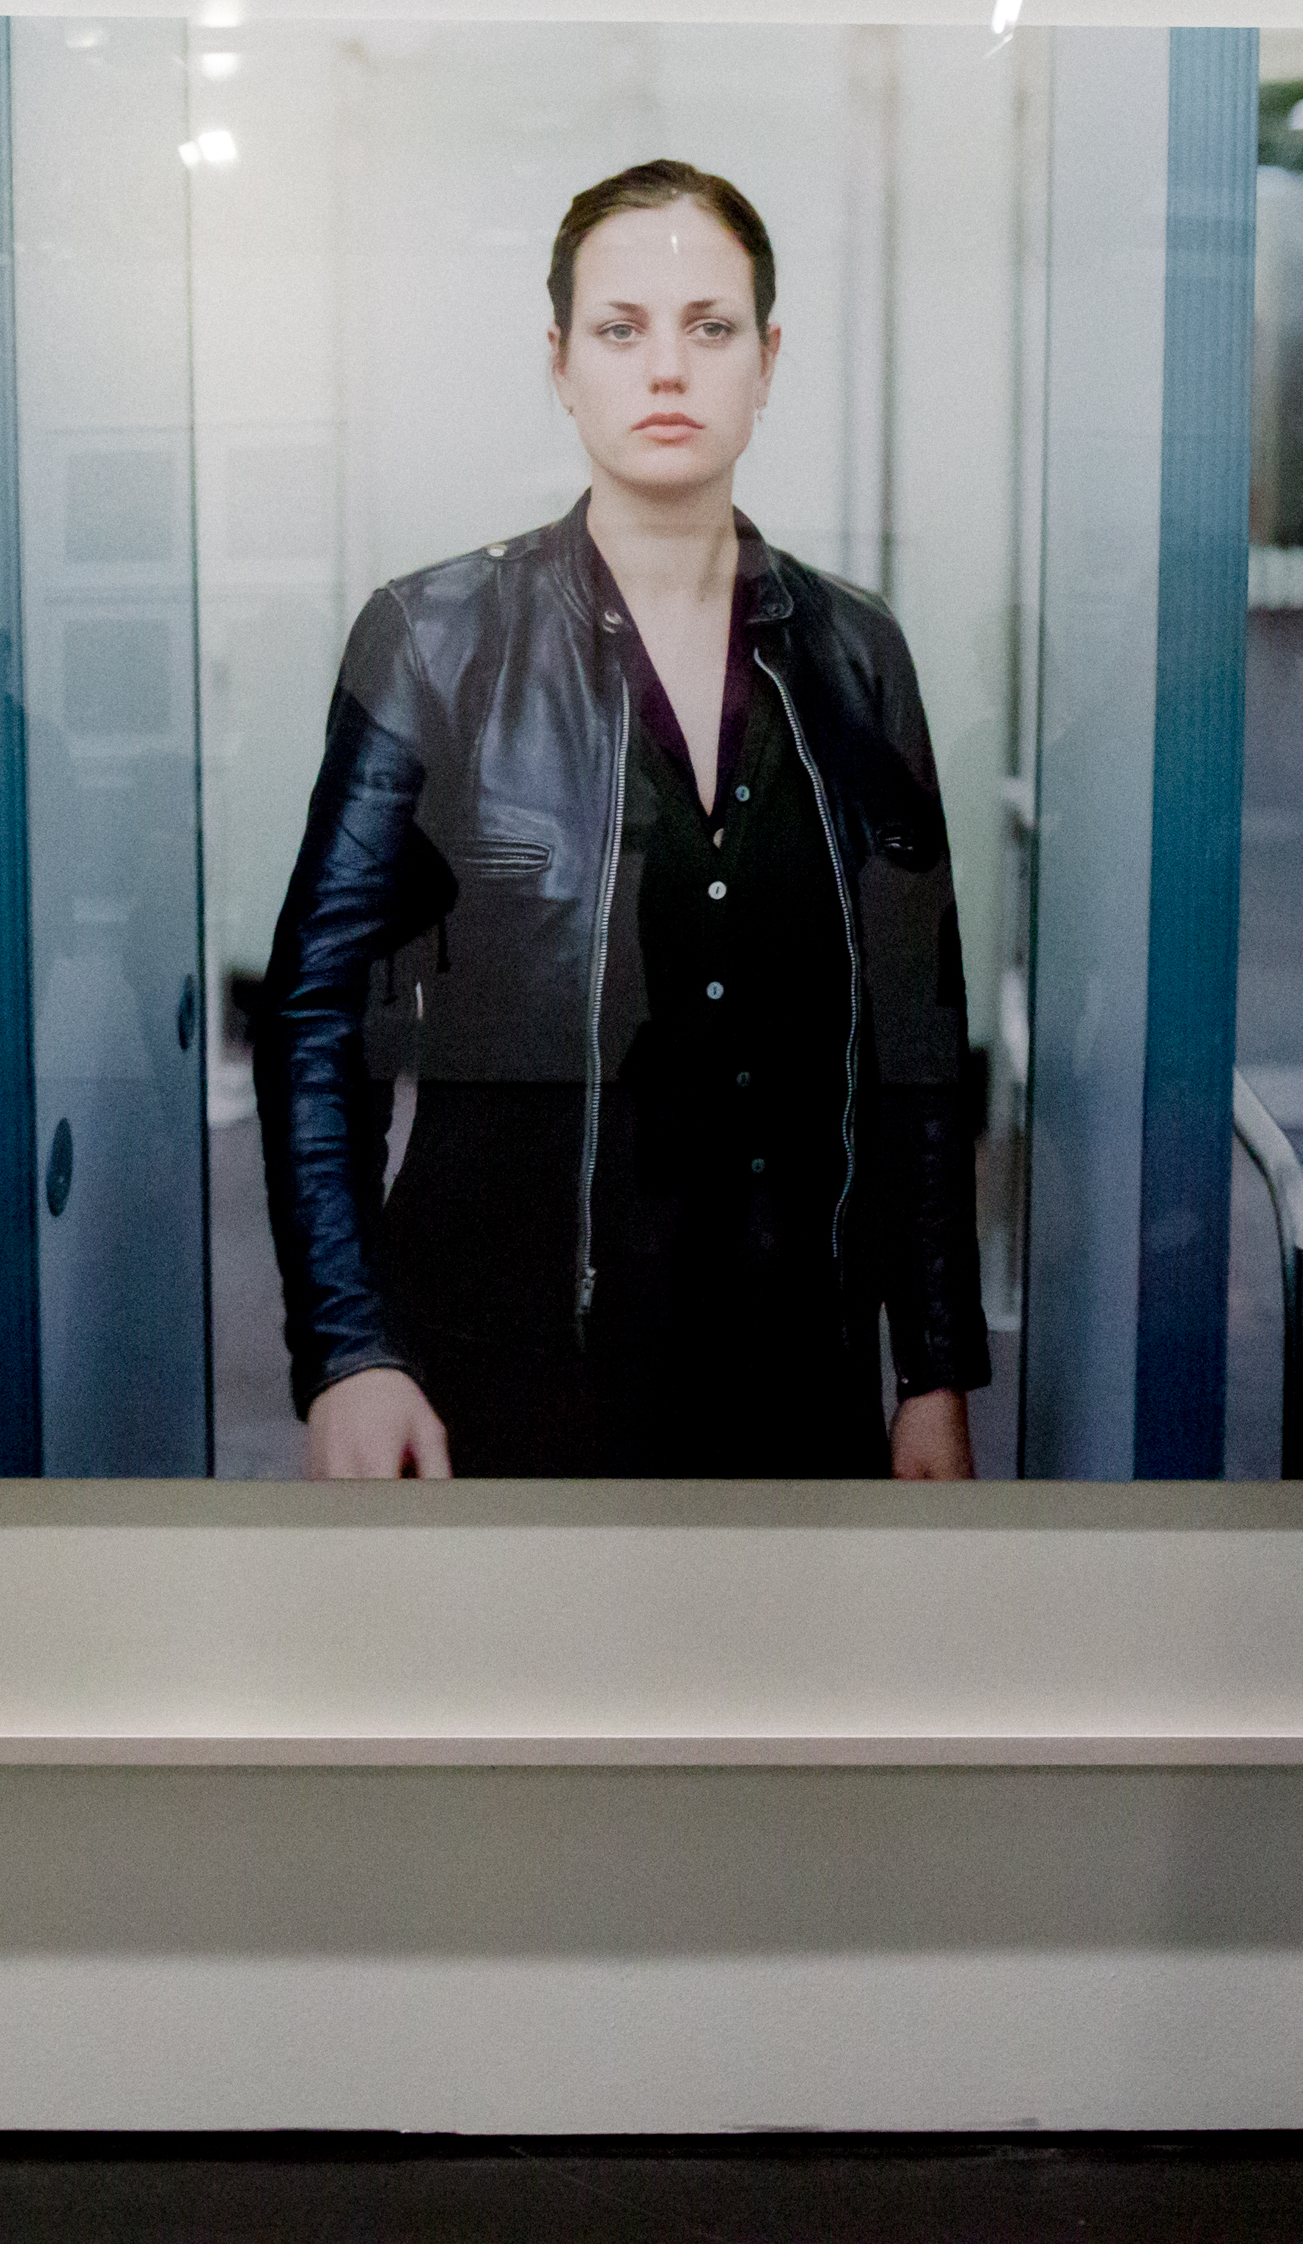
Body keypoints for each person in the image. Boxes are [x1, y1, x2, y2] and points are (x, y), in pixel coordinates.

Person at [249, 159, 988, 1480]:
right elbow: (315, 1015)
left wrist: (933, 1369)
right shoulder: (435, 639)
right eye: (622, 330)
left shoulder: (858, 656)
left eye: (710, 330)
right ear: (561, 362)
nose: (667, 370)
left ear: (767, 362)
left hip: (789, 1373)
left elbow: (918, 1042)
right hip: (500, 1364)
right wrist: (351, 1351)